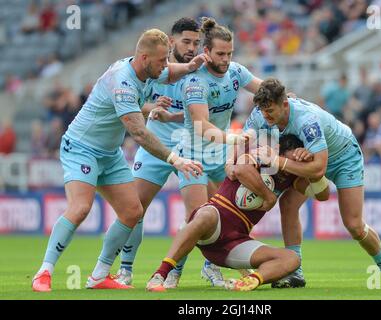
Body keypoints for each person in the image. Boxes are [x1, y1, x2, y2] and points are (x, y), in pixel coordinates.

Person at [31, 28, 206, 292]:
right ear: (145, 58)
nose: (165, 65)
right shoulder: (122, 81)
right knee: (80, 208)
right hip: (82, 147)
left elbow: (170, 71)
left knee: (132, 212)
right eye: (161, 60)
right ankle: (44, 271)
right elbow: (138, 131)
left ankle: (100, 275)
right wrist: (175, 159)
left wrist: (190, 66)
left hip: (109, 154)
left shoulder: (147, 70)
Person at [246, 78, 381, 287]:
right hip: (311, 158)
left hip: (344, 157)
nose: (266, 115)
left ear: (284, 104)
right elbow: (244, 143)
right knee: (288, 204)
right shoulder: (261, 114)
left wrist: (277, 161)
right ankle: (295, 272)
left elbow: (318, 168)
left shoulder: (306, 120)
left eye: (270, 110)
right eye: (263, 110)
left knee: (354, 225)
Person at [154, 17, 263, 287]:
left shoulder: (236, 72)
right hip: (193, 155)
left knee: (224, 221)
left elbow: (265, 89)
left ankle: (210, 268)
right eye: (220, 54)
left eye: (230, 53)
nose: (226, 59)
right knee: (198, 218)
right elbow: (202, 126)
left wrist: (289, 100)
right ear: (207, 52)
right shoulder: (194, 82)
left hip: (220, 157)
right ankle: (174, 271)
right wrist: (235, 138)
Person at [146, 135, 329, 292]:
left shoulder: (292, 176)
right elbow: (241, 169)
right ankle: (160, 274)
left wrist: (313, 172)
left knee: (292, 259)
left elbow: (323, 195)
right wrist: (268, 196)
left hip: (236, 242)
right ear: (280, 151)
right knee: (206, 214)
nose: (292, 164)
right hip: (214, 226)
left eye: (298, 161)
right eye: (292, 159)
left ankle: (250, 281)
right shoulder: (263, 152)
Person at [115, 17, 202, 288]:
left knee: (197, 213)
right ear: (171, 40)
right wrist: (152, 109)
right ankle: (125, 269)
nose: (191, 48)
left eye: (196, 43)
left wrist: (171, 116)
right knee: (134, 209)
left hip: (190, 146)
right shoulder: (153, 67)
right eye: (186, 41)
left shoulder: (200, 71)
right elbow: (136, 104)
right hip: (154, 146)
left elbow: (198, 116)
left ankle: (174, 271)